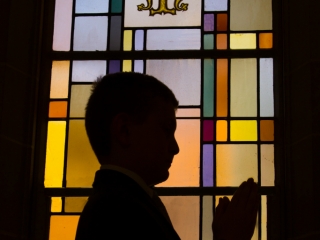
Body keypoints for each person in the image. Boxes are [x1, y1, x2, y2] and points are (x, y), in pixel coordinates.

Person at [75, 72, 259, 240]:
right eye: (166, 129)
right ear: (125, 130)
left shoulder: (123, 203)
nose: (175, 147)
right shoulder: (115, 213)